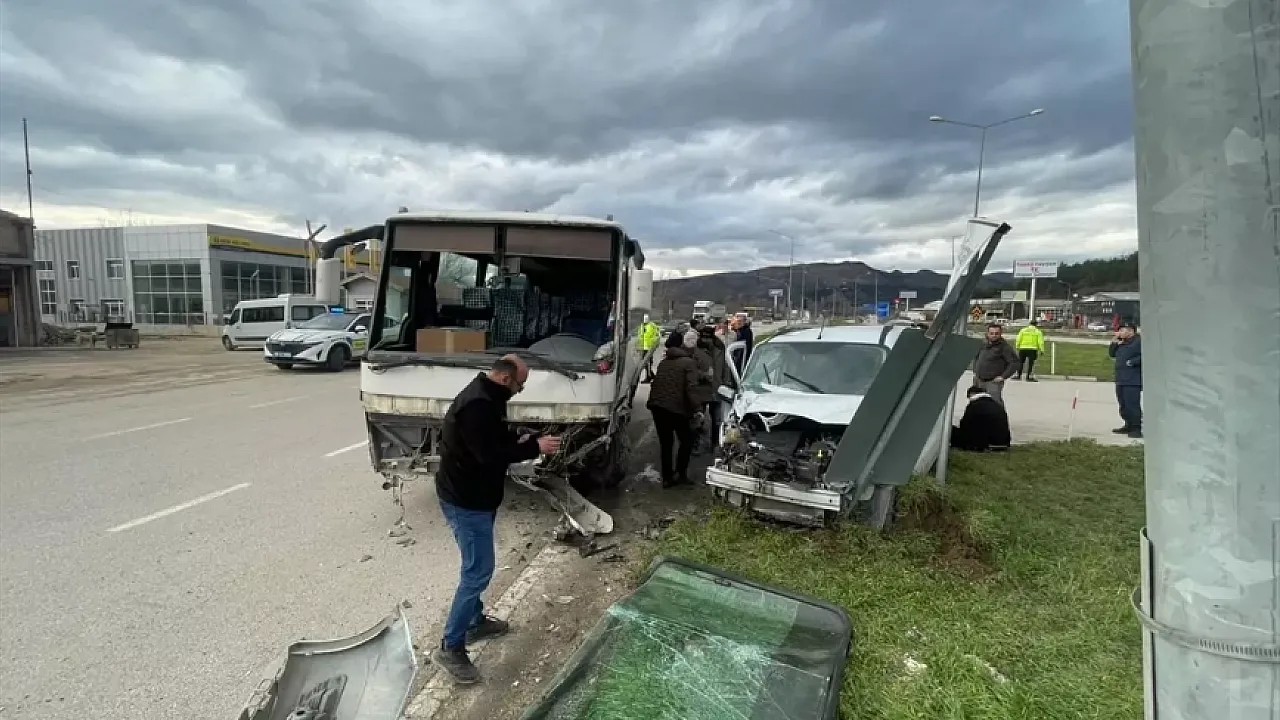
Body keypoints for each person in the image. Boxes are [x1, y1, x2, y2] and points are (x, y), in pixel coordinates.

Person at [432, 355, 562, 684]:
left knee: (475, 567)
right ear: (506, 378)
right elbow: (488, 455)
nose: (520, 390)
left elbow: (491, 437)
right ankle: (451, 646)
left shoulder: (489, 396)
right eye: (520, 385)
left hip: (477, 496)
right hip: (465, 500)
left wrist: (518, 433)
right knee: (477, 572)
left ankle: (474, 621)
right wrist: (535, 446)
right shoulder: (477, 405)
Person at [647, 331, 700, 487]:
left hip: (657, 406)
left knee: (666, 443)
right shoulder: (688, 362)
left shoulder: (664, 362)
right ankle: (681, 474)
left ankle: (667, 478)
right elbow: (691, 388)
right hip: (675, 408)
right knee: (687, 440)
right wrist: (698, 409)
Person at [951, 385, 1012, 452]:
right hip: (1003, 443)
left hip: (984, 443)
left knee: (951, 430)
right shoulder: (997, 405)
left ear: (971, 394)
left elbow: (964, 425)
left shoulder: (974, 405)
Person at [1108, 323, 1143, 438]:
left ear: (1131, 331)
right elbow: (1112, 354)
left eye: (1122, 330)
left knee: (1132, 405)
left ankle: (1136, 428)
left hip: (1132, 379)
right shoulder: (1122, 342)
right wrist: (1114, 342)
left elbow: (1146, 355)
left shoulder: (1138, 342)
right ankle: (1128, 424)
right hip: (1121, 378)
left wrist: (1133, 362)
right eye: (1119, 330)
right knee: (1123, 405)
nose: (1119, 333)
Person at [971, 323, 1020, 405]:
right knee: (978, 403)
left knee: (995, 404)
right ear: (987, 333)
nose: (994, 335)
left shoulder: (1004, 347)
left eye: (996, 334)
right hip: (978, 380)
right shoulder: (983, 344)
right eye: (992, 333)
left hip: (993, 382)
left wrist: (1003, 376)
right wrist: (975, 370)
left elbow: (1014, 363)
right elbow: (976, 357)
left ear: (1000, 334)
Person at [686, 328, 716, 453]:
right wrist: (705, 375)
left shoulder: (714, 351)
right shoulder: (695, 354)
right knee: (698, 418)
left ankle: (711, 444)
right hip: (701, 391)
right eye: (704, 338)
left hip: (711, 391)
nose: (707, 340)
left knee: (713, 419)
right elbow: (692, 372)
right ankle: (696, 444)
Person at [637, 314, 661, 383]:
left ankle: (649, 377)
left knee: (647, 363)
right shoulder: (642, 326)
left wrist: (653, 344)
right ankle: (651, 375)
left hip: (649, 348)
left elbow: (657, 336)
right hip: (643, 348)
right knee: (645, 363)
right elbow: (640, 336)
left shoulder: (652, 326)